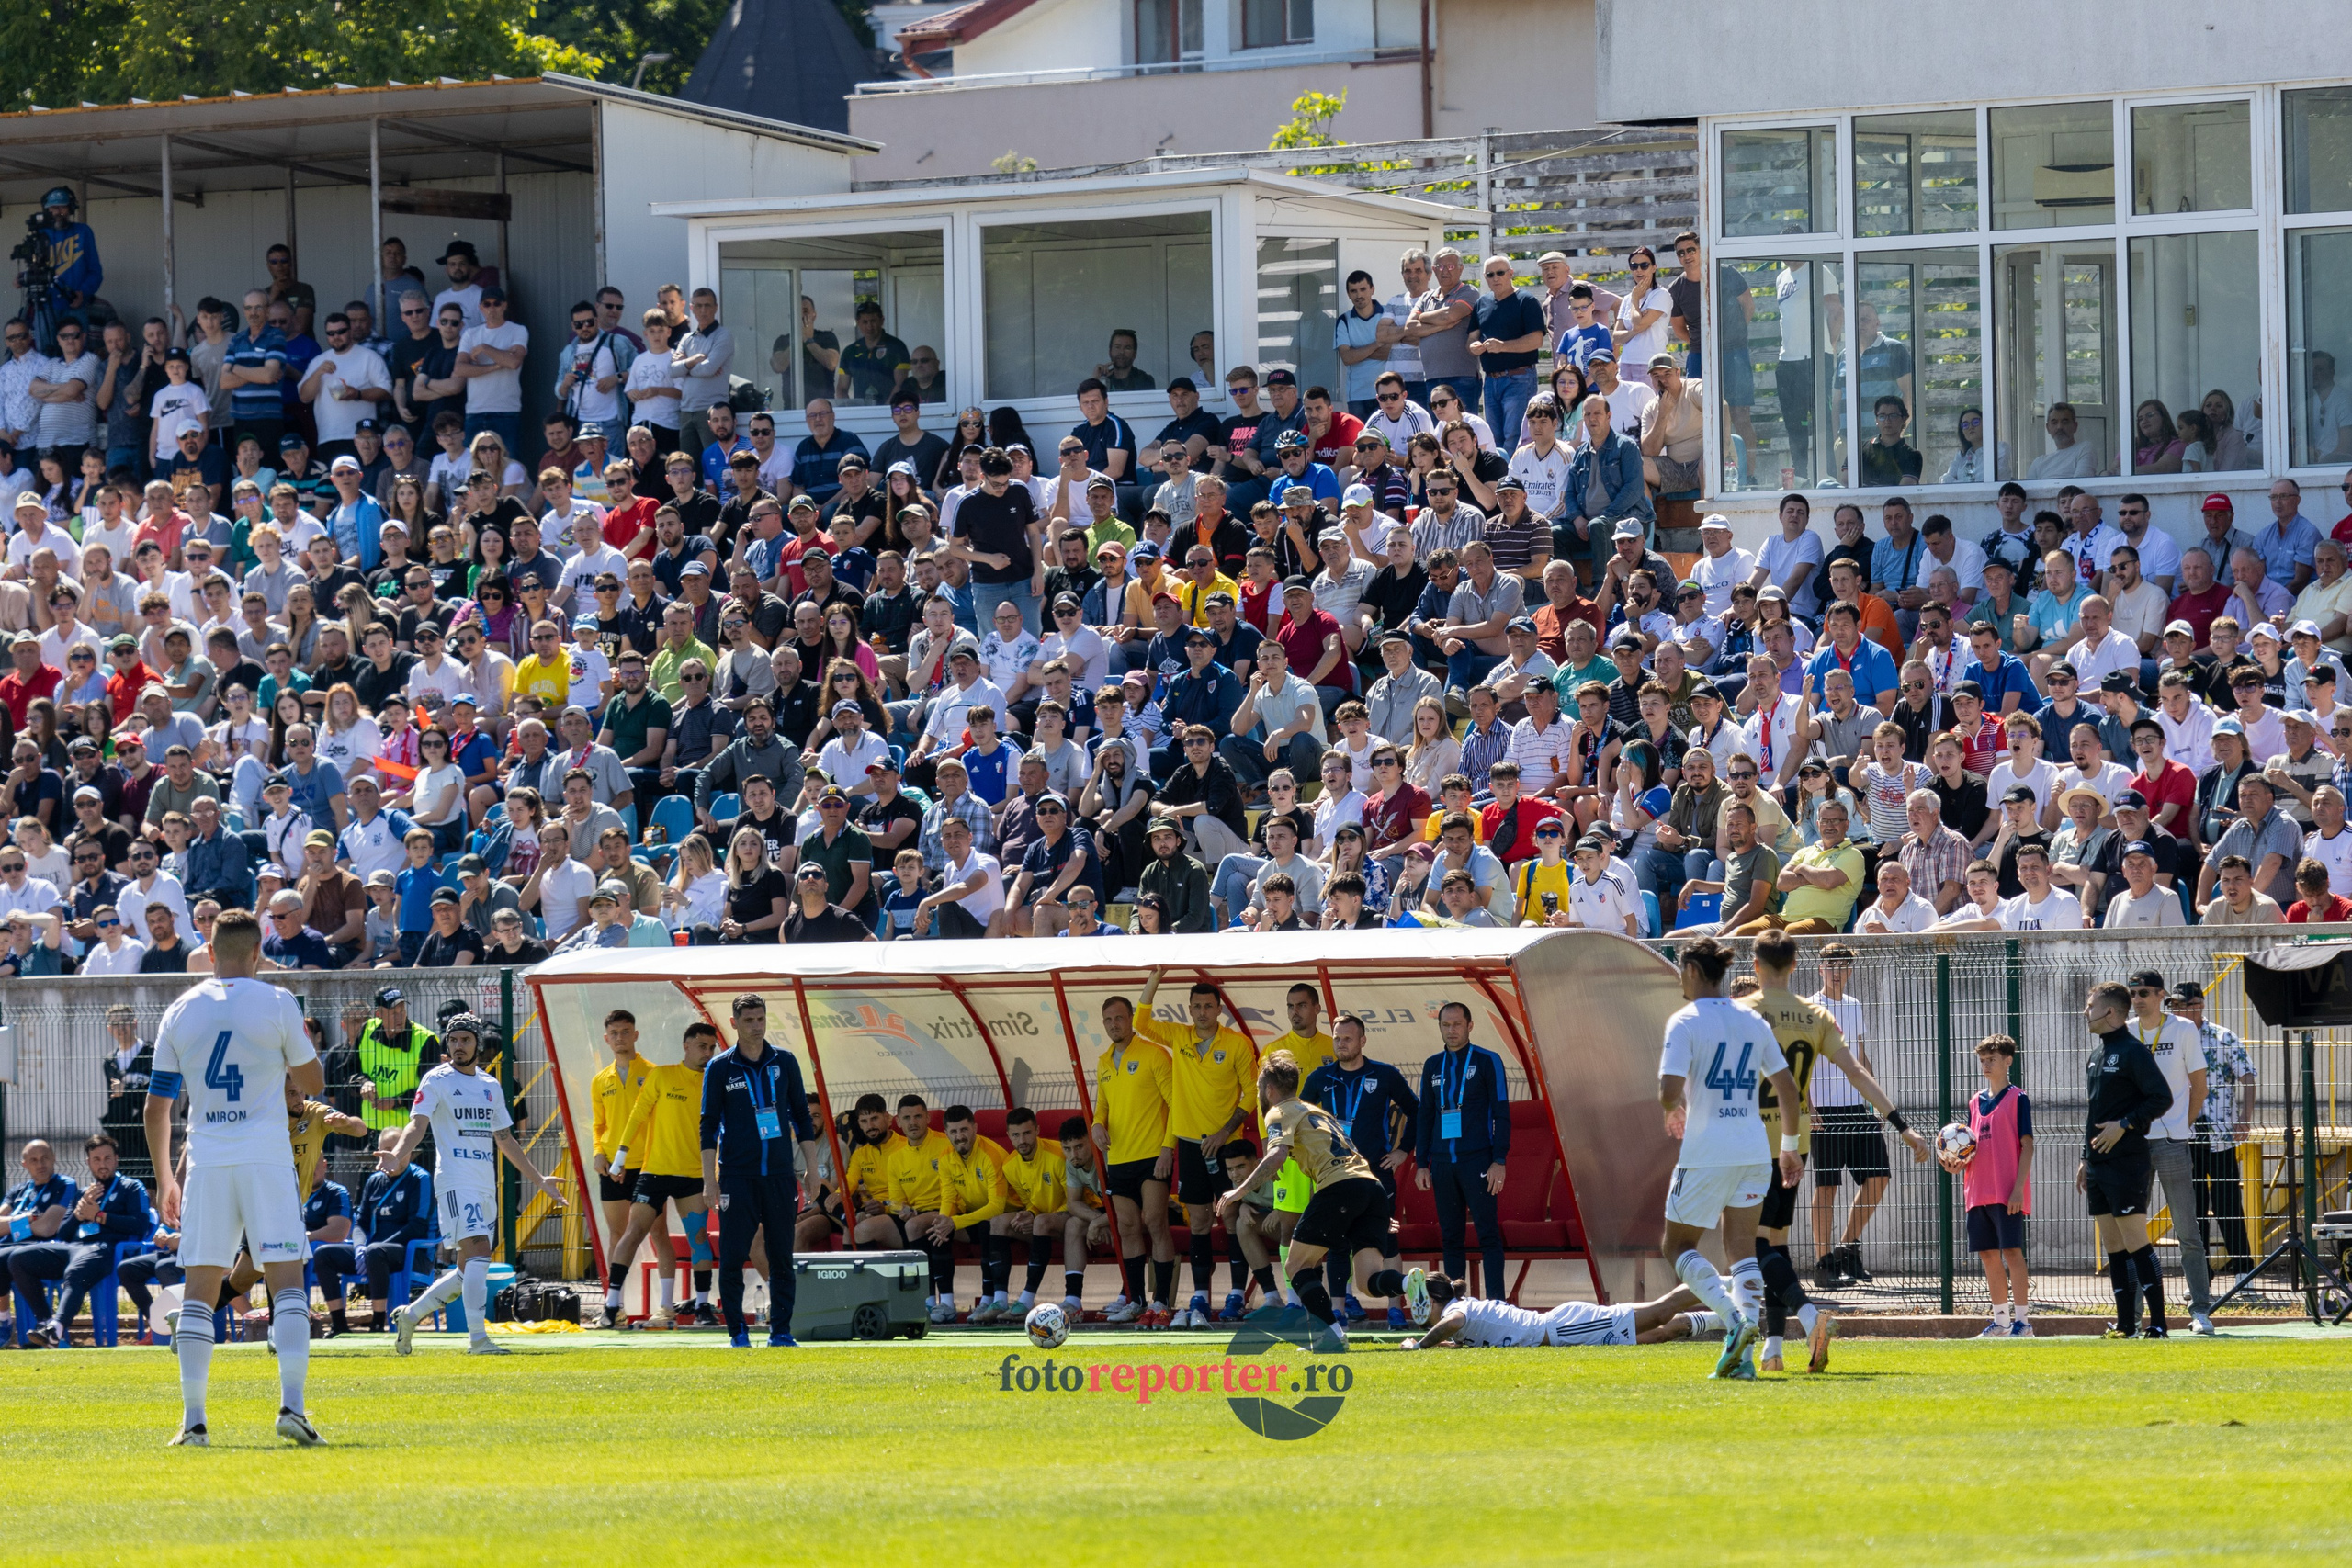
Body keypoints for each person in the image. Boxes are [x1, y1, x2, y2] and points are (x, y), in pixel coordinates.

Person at [140, 908, 326, 1446]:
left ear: (209, 948)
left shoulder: (179, 1009)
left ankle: (193, 1422)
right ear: (257, 953)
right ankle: (292, 1406)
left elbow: (157, 1108)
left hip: (207, 1160)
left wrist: (163, 1179)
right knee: (287, 1282)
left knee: (200, 1291)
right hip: (266, 1157)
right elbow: (312, 1080)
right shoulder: (277, 1001)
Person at [1745, 932, 1928, 1370]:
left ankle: (1808, 1317)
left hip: (1749, 1141)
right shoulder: (1816, 1015)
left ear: (1754, 967)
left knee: (1749, 1245)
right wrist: (1902, 1126)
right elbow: (1858, 1072)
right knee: (1777, 1242)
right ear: (1794, 967)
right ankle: (1773, 1349)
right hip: (1797, 1141)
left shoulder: (1744, 1012)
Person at [1656, 936, 1805, 1380]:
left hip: (1706, 1151)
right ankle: (1740, 1360)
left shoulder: (1684, 1021)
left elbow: (1667, 1091)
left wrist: (1671, 1107)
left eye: (1682, 969)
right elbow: (1788, 1088)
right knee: (1742, 1251)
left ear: (1695, 972)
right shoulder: (1752, 1020)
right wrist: (1790, 1148)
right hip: (1755, 1150)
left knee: (1676, 1245)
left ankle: (1734, 1321)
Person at [383, 1014, 564, 1357]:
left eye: (465, 1040)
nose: (458, 1046)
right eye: (453, 1040)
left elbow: (505, 1139)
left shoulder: (491, 1086)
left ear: (478, 1044)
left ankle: (410, 1316)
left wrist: (539, 1180)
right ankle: (478, 1340)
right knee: (480, 1253)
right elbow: (417, 1125)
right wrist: (397, 1154)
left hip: (484, 1185)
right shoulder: (435, 1080)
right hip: (454, 1181)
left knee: (469, 1270)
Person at [1214, 1050, 1414, 1344]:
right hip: (1370, 1187)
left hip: (1340, 1187)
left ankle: (1331, 1334)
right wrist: (1372, 1212)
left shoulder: (1278, 1112)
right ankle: (1414, 1283)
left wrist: (1239, 1191)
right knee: (1369, 1283)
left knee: (1296, 1266)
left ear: (1269, 1089)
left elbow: (1277, 1154)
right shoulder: (1318, 1113)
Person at [1129, 969, 1255, 1329]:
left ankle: (1234, 1293)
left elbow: (1251, 1093)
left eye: (1208, 1006)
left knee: (1232, 1218)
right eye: (1196, 1006)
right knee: (1199, 1220)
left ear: (1219, 1010)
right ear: (1189, 1009)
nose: (1202, 1012)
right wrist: (1155, 975)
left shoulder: (1236, 1044)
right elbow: (1142, 1021)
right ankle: (1200, 1294)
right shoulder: (1179, 1036)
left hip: (1227, 1145)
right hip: (1189, 1145)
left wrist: (1224, 1131)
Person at [697, 996, 824, 1346]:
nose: (756, 1025)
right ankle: (738, 1331)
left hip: (781, 1176)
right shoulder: (721, 1067)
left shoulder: (784, 1061)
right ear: (734, 1022)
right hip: (737, 1177)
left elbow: (801, 1116)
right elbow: (707, 1126)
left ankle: (781, 1330)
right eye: (749, 1019)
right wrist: (710, 1180)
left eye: (761, 1018)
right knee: (733, 1256)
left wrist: (811, 1171)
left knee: (782, 1254)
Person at [2077, 980, 2177, 1338]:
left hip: (2127, 1162)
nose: (2085, 1012)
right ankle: (2126, 1324)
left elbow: (2160, 1098)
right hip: (2099, 1163)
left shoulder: (2133, 1052)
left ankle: (2160, 1325)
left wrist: (2125, 1124)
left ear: (2110, 1013)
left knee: (2136, 1242)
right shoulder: (2096, 1054)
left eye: (2090, 1005)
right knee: (2114, 1247)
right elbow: (2094, 1112)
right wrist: (2085, 1157)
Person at [605, 1021, 718, 1330]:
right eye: (701, 1046)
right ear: (686, 1045)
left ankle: (704, 1305)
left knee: (698, 1237)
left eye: (711, 1048)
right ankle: (611, 1304)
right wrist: (621, 1155)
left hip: (693, 1176)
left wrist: (717, 1174)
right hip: (654, 1172)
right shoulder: (663, 1075)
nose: (707, 1053)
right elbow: (638, 1114)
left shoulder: (716, 1081)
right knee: (633, 1232)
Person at [1409, 1000, 1512, 1302]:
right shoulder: (1431, 1066)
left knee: (1488, 1234)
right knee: (1451, 1238)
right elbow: (1425, 1116)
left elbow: (1502, 1114)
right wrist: (1421, 1163)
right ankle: (1456, 1308)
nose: (1451, 1030)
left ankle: (1497, 1305)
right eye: (1445, 1025)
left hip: (1478, 1160)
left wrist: (1499, 1159)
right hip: (1441, 1163)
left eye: (1457, 1024)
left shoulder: (1487, 1060)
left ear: (1470, 1026)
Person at [1091, 992, 1177, 1326]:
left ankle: (1163, 1301)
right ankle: (1136, 1300)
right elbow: (1103, 1107)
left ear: (1130, 1020)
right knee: (1127, 1228)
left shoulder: (1155, 1054)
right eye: (1109, 1019)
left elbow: (1175, 1105)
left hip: (1153, 1155)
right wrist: (1097, 1125)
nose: (1114, 1024)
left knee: (1155, 1222)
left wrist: (1168, 1149)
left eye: (1120, 1018)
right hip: (1120, 1159)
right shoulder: (1103, 1061)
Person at [2169, 980, 2258, 1286]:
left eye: (2183, 1006)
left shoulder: (2222, 1037)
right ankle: (2199, 1279)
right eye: (2175, 1006)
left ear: (2199, 1005)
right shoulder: (2171, 1037)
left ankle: (2243, 1274)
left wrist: (2244, 1118)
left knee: (2227, 1205)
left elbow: (2247, 1076)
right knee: (2192, 1212)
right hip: (2184, 1134)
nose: (2178, 1011)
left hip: (2220, 1134)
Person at [1949, 1033, 2036, 1337]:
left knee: (2012, 1251)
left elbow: (2028, 1145)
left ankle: (2023, 1322)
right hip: (1977, 1192)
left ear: (2008, 1061)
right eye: (1982, 1060)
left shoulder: (2018, 1098)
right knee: (1987, 1254)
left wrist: (2017, 1189)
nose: (1986, 1065)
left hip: (2006, 1191)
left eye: (1992, 1060)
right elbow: (1968, 1149)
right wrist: (1955, 1164)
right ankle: (2001, 1321)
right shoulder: (1975, 1101)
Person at [1404, 1272, 1718, 1349]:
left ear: (1432, 1300)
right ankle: (1731, 1319)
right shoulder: (1459, 1315)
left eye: (1416, 1299)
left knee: (1658, 1312)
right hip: (1563, 1332)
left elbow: (1452, 1323)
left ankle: (1729, 1287)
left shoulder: (1456, 1312)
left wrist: (1419, 1347)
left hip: (1563, 1327)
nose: (1412, 1306)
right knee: (1662, 1333)